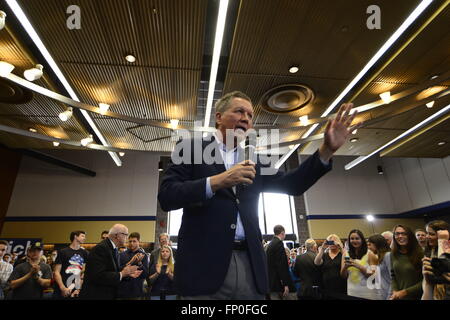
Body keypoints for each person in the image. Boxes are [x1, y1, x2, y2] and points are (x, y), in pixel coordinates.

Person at [158, 90, 358, 299]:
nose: (246, 118)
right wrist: (218, 181)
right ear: (218, 117)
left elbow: (293, 185)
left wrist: (326, 149)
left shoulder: (254, 158)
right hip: (203, 267)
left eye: (250, 115)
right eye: (239, 111)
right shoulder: (190, 148)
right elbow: (167, 195)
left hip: (250, 268)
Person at [79, 224, 142, 300]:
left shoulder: (114, 249)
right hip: (97, 295)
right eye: (126, 235)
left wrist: (127, 273)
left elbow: (113, 270)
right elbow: (98, 275)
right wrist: (122, 274)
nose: (127, 238)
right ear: (117, 235)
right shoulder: (101, 248)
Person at [389, 224, 423, 300]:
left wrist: (405, 292)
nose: (400, 236)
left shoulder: (420, 253)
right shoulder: (393, 254)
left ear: (410, 236)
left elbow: (426, 280)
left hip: (418, 296)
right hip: (399, 297)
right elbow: (392, 275)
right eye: (397, 234)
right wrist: (395, 291)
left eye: (404, 233)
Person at [340, 229, 377, 299]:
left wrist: (358, 266)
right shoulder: (345, 254)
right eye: (352, 239)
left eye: (357, 238)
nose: (354, 241)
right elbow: (343, 276)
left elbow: (373, 276)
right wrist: (345, 267)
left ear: (362, 240)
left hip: (367, 292)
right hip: (352, 291)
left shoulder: (370, 254)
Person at [53, 231, 89, 299]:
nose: (85, 238)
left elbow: (84, 272)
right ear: (75, 236)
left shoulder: (85, 253)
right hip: (62, 287)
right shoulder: (62, 252)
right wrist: (62, 288)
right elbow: (56, 272)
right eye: (82, 236)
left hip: (77, 288)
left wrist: (78, 289)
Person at [266, 225, 296, 300]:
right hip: (278, 283)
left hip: (271, 282)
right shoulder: (279, 243)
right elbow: (281, 265)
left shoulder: (270, 244)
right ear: (282, 233)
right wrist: (285, 284)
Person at [421, 221, 450, 300]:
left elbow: (443, 266)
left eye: (432, 234)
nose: (427, 236)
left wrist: (442, 241)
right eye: (427, 233)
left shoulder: (447, 251)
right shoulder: (430, 251)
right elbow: (427, 281)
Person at [117, 232, 149, 300]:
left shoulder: (144, 255)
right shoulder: (122, 255)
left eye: (134, 241)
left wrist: (139, 263)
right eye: (130, 241)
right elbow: (118, 270)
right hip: (123, 290)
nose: (132, 243)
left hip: (136, 290)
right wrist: (131, 262)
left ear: (139, 242)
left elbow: (145, 274)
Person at [314, 234, 347, 298]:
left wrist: (341, 248)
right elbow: (316, 263)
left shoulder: (342, 254)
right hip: (326, 288)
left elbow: (347, 260)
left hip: (341, 286)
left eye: (334, 242)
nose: (332, 244)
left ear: (338, 242)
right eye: (330, 242)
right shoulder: (324, 255)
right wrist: (322, 249)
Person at [367, 234, 391, 300]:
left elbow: (393, 279)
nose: (368, 247)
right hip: (381, 294)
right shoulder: (378, 257)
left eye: (369, 244)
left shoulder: (387, 255)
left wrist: (389, 297)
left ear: (377, 244)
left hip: (388, 294)